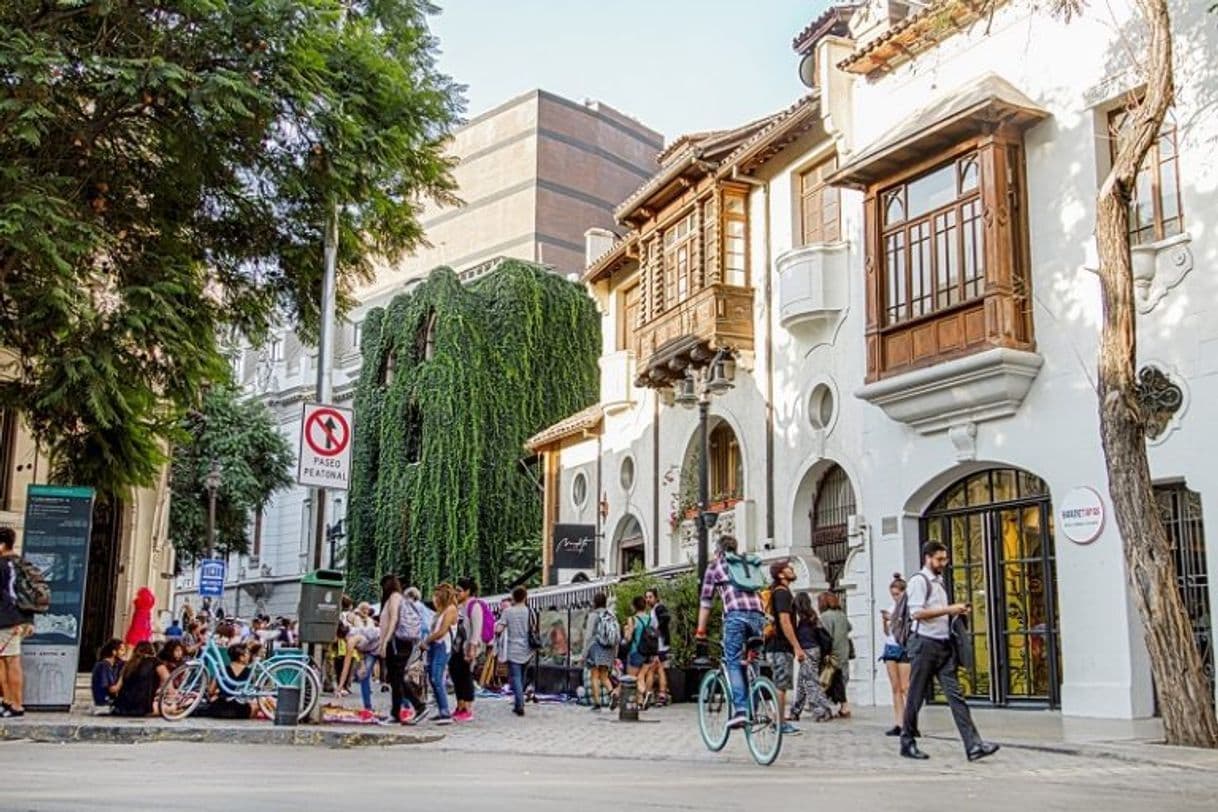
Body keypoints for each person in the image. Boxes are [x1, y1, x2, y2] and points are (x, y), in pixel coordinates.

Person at [900, 541, 999, 762]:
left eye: (945, 559)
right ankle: (907, 741)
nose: (943, 563)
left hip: (943, 646)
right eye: (939, 559)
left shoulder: (940, 582)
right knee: (915, 697)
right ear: (927, 558)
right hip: (924, 645)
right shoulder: (919, 581)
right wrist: (949, 609)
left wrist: (957, 612)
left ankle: (973, 745)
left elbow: (938, 614)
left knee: (956, 696)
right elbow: (916, 614)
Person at [695, 535, 766, 729]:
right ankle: (755, 708)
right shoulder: (746, 563)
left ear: (718, 551)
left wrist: (701, 630)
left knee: (733, 661)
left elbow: (706, 601)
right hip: (759, 615)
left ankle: (741, 711)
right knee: (753, 659)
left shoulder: (715, 566)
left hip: (736, 616)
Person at [376, 574, 427, 725]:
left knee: (397, 678)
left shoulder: (394, 597)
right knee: (395, 678)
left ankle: (417, 706)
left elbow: (393, 620)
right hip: (397, 642)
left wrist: (385, 642)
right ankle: (398, 712)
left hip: (396, 643)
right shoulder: (398, 597)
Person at [0, 527, 33, 717]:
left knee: (10, 661)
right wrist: (28, 619)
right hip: (16, 619)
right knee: (7, 661)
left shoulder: (3, 565)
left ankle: (15, 703)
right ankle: (8, 701)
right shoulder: (21, 563)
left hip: (6, 619)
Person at [766, 560, 801, 736]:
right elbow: (785, 621)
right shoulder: (782, 593)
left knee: (780, 684)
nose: (792, 570)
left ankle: (778, 720)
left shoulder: (777, 592)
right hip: (780, 646)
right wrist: (797, 647)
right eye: (788, 568)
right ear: (781, 574)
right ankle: (779, 723)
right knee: (781, 685)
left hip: (774, 646)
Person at [788, 592, 834, 723]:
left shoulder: (799, 619)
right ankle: (795, 711)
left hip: (807, 651)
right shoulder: (813, 616)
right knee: (802, 682)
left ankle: (822, 710)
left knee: (811, 683)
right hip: (815, 650)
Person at [419, 582, 458, 725]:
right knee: (432, 679)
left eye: (435, 596)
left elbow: (442, 631)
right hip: (434, 646)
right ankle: (441, 709)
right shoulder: (440, 612)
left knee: (436, 678)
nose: (433, 599)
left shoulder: (451, 610)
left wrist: (426, 641)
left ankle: (445, 712)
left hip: (442, 647)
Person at [880, 573, 913, 736]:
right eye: (893, 594)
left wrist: (892, 618)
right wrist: (884, 621)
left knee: (906, 686)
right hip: (891, 646)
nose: (895, 597)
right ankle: (898, 722)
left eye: (897, 594)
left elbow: (907, 626)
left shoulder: (909, 607)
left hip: (904, 647)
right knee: (895, 687)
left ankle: (910, 722)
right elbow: (887, 632)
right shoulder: (891, 607)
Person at [497, 587, 534, 717]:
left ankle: (519, 705)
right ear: (525, 597)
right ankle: (520, 699)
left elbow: (499, 629)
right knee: (522, 676)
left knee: (516, 677)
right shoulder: (530, 611)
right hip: (527, 648)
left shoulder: (507, 612)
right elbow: (534, 628)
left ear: (513, 597)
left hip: (513, 648)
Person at [451, 577, 484, 723]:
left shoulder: (474, 606)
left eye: (459, 590)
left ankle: (468, 708)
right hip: (456, 648)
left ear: (467, 591)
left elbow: (476, 630)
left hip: (467, 648)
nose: (456, 593)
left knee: (465, 676)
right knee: (456, 676)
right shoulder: (458, 606)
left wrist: (472, 648)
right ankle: (460, 705)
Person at [818, 591, 852, 717]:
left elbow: (825, 636)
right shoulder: (841, 615)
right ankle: (843, 706)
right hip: (844, 651)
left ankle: (833, 706)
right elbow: (849, 628)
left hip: (832, 653)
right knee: (841, 680)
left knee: (829, 680)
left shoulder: (825, 617)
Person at [112, 641, 167, 717]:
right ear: (152, 651)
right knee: (173, 707)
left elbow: (117, 687)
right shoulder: (155, 661)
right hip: (143, 708)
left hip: (122, 707)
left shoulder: (128, 664)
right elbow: (167, 679)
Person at [582, 592, 617, 711]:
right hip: (609, 649)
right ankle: (612, 693)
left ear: (595, 602)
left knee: (594, 675)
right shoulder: (611, 615)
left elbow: (588, 636)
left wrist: (584, 653)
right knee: (604, 675)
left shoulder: (593, 615)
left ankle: (597, 703)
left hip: (595, 648)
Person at [206, 642, 254, 719]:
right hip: (241, 710)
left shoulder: (221, 670)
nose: (249, 656)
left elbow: (211, 691)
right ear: (241, 657)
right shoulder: (250, 672)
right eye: (247, 654)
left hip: (219, 708)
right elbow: (250, 693)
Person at [644, 588, 672, 707]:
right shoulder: (654, 610)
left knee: (654, 669)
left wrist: (657, 631)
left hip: (660, 645)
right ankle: (661, 694)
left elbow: (666, 618)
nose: (648, 599)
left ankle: (655, 693)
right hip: (660, 644)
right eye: (647, 597)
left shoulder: (659, 608)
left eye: (650, 597)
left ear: (656, 597)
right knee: (659, 670)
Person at [91, 638, 125, 714]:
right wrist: (123, 678)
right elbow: (112, 689)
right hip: (104, 702)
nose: (123, 653)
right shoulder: (103, 665)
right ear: (114, 652)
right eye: (121, 650)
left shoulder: (115, 665)